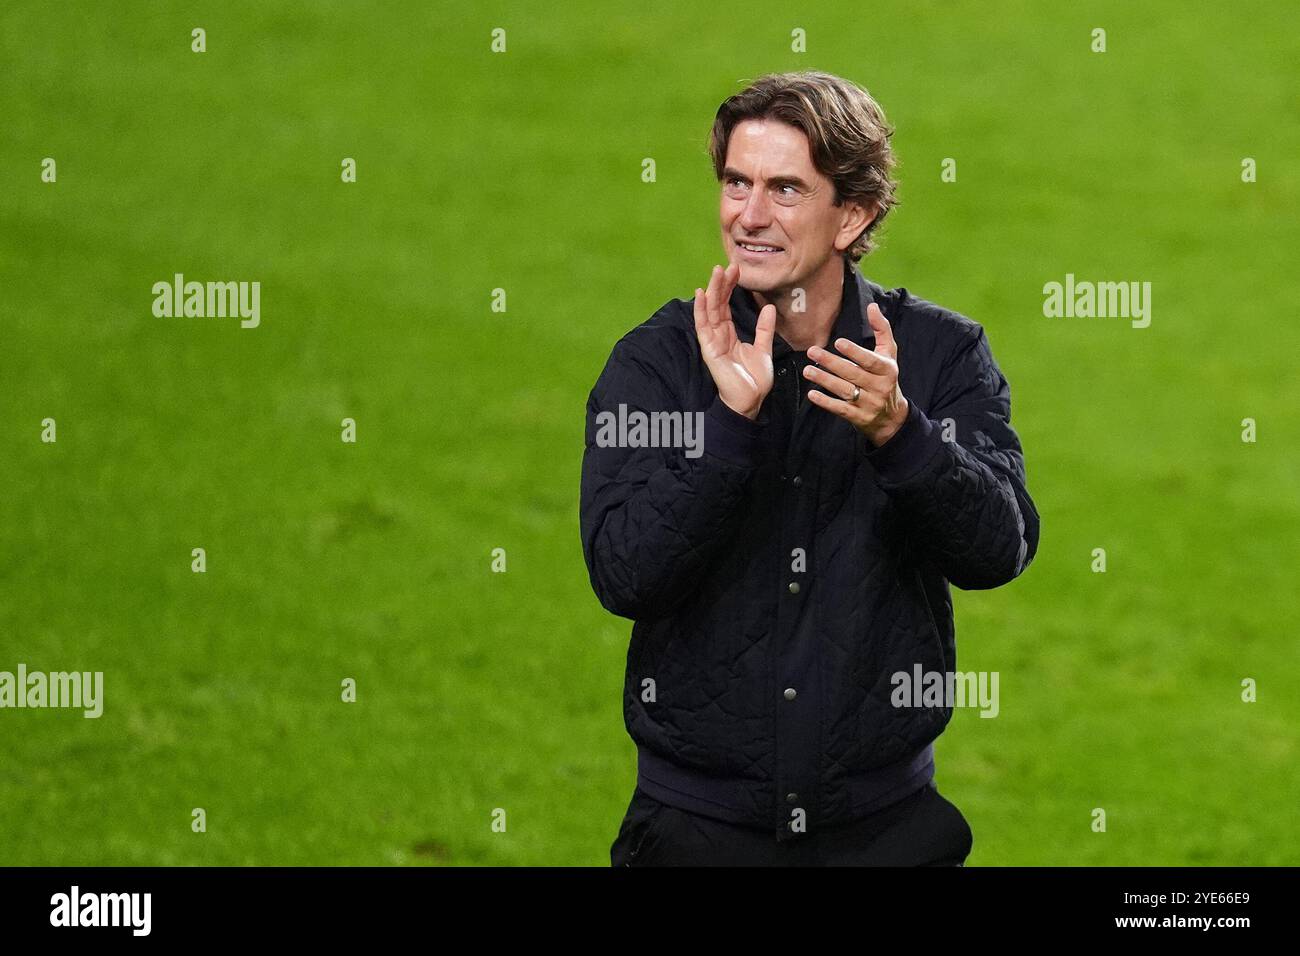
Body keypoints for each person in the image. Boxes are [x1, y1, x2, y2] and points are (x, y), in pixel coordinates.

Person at [580, 71, 1039, 865]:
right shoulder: (657, 363)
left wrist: (903, 434)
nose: (748, 216)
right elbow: (625, 576)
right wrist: (728, 430)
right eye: (735, 183)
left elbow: (999, 549)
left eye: (785, 189)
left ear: (851, 214)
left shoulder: (937, 355)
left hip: (887, 835)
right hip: (696, 837)